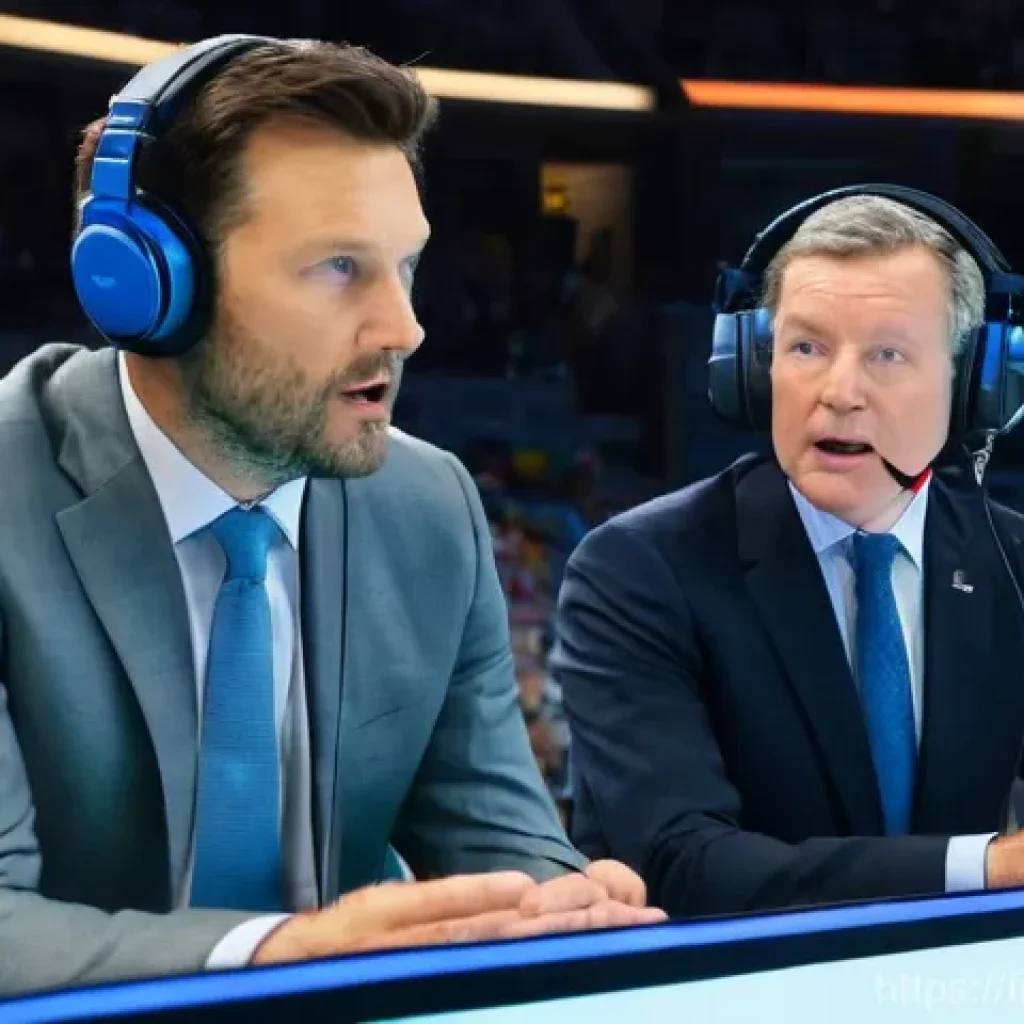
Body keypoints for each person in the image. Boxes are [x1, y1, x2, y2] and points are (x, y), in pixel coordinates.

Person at [0, 35, 664, 996]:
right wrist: (275, 954)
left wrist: (561, 912)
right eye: (339, 267)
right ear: (146, 285)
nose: (405, 327)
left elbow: (500, 851)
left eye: (408, 266)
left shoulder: (427, 507)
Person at [551, 186, 1024, 918]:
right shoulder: (638, 570)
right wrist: (984, 868)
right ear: (750, 368)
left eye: (888, 354)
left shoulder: (1013, 564)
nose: (838, 392)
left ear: (976, 388)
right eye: (806, 347)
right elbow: (681, 864)